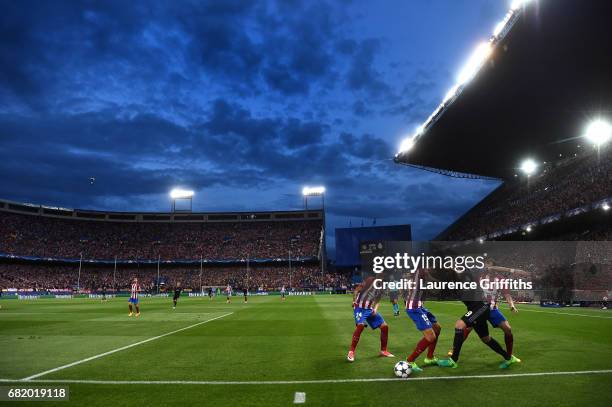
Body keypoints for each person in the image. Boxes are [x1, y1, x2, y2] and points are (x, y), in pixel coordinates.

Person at [438, 266, 520, 369]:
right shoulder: (453, 286)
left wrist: (511, 270)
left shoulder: (469, 275)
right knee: (486, 338)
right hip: (475, 309)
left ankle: (453, 360)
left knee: (460, 325)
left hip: (481, 307)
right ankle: (508, 358)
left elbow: (481, 269)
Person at [402, 269, 441, 372]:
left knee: (437, 328)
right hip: (414, 307)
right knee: (430, 336)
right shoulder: (421, 269)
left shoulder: (423, 273)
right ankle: (410, 360)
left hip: (420, 306)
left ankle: (429, 358)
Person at [347, 276, 394, 362]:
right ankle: (351, 352)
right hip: (359, 308)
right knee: (360, 326)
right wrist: (354, 301)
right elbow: (357, 290)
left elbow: (377, 300)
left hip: (369, 309)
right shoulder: (370, 280)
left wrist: (375, 309)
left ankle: (383, 351)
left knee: (385, 327)